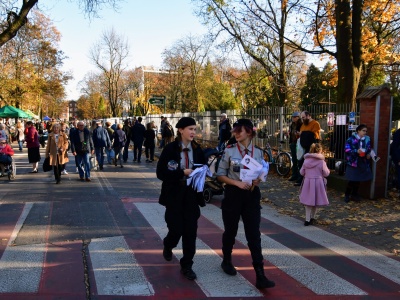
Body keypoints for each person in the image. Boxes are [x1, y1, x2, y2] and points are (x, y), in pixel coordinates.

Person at [215, 119, 275, 289]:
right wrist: (236, 184)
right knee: (231, 231)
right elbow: (220, 175)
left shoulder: (257, 152)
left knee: (254, 234)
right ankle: (226, 260)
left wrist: (258, 180)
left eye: (238, 131)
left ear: (249, 132)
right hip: (233, 195)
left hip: (251, 196)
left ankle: (260, 274)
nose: (235, 133)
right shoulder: (229, 150)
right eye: (234, 131)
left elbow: (261, 172)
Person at [156, 117, 206, 281]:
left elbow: (203, 168)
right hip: (174, 196)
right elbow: (161, 173)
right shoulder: (170, 149)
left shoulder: (198, 150)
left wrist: (205, 172)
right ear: (181, 130)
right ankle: (168, 244)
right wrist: (181, 173)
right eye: (190, 129)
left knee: (190, 232)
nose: (193, 132)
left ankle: (187, 265)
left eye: (194, 129)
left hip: (191, 195)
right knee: (176, 229)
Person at [299, 143, 330, 225]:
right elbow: (326, 173)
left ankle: (307, 219)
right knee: (316, 201)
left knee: (308, 201)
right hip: (318, 182)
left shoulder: (306, 161)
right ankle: (313, 217)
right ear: (320, 150)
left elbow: (301, 172)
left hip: (308, 182)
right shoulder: (321, 162)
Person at [344, 124, 372, 202]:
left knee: (358, 179)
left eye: (366, 131)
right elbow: (347, 149)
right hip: (353, 161)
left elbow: (369, 148)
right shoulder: (351, 139)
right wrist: (356, 151)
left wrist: (368, 154)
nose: (365, 132)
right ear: (358, 131)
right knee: (352, 179)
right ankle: (347, 194)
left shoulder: (367, 139)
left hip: (362, 161)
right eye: (363, 130)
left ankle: (354, 194)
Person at [294, 111, 321, 186]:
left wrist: (303, 134)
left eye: (304, 117)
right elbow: (301, 134)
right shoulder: (303, 125)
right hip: (303, 146)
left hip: (311, 147)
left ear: (308, 116)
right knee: (301, 162)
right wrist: (299, 134)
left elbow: (315, 135)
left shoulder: (315, 124)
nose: (302, 119)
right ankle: (301, 179)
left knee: (305, 162)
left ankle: (304, 180)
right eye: (302, 118)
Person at [288, 112, 302, 181]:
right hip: (293, 143)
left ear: (298, 117)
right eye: (292, 117)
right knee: (294, 159)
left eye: (294, 117)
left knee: (299, 159)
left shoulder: (301, 125)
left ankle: (299, 176)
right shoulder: (292, 125)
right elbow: (291, 133)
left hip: (299, 143)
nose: (293, 118)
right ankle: (294, 175)